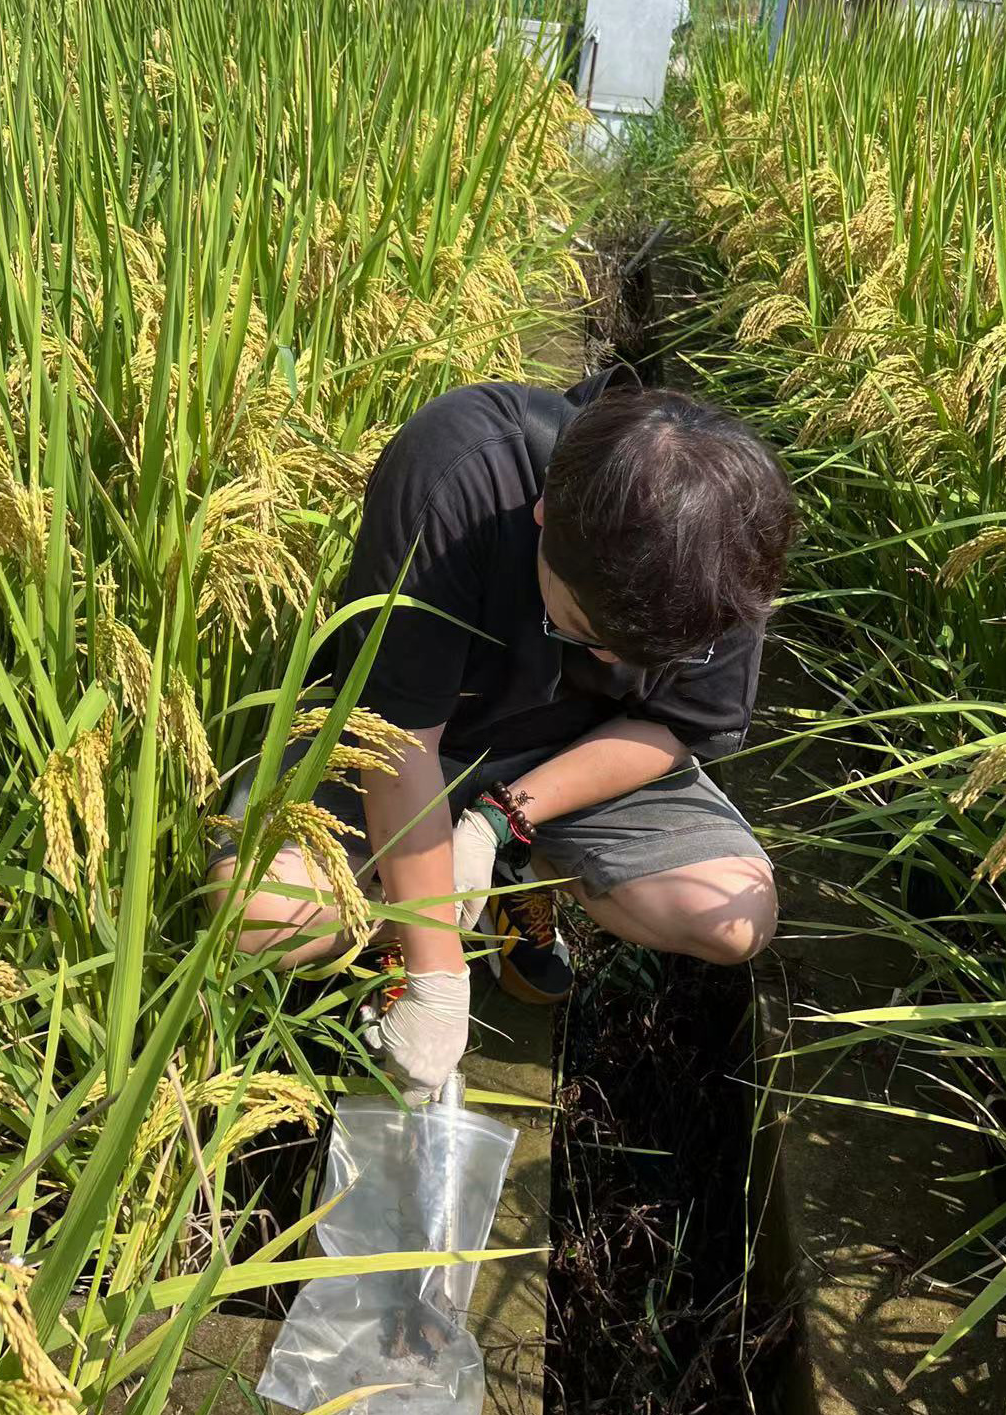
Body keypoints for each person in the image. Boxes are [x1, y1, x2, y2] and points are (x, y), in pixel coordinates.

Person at [209, 366, 797, 1098]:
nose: (608, 661)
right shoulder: (462, 467)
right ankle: (410, 930)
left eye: (641, 656)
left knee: (733, 916)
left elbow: (679, 724)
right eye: (578, 630)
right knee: (256, 915)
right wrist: (436, 976)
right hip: (419, 739)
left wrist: (498, 819)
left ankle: (510, 873)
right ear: (544, 513)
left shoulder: (723, 544)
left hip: (576, 756)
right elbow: (398, 739)